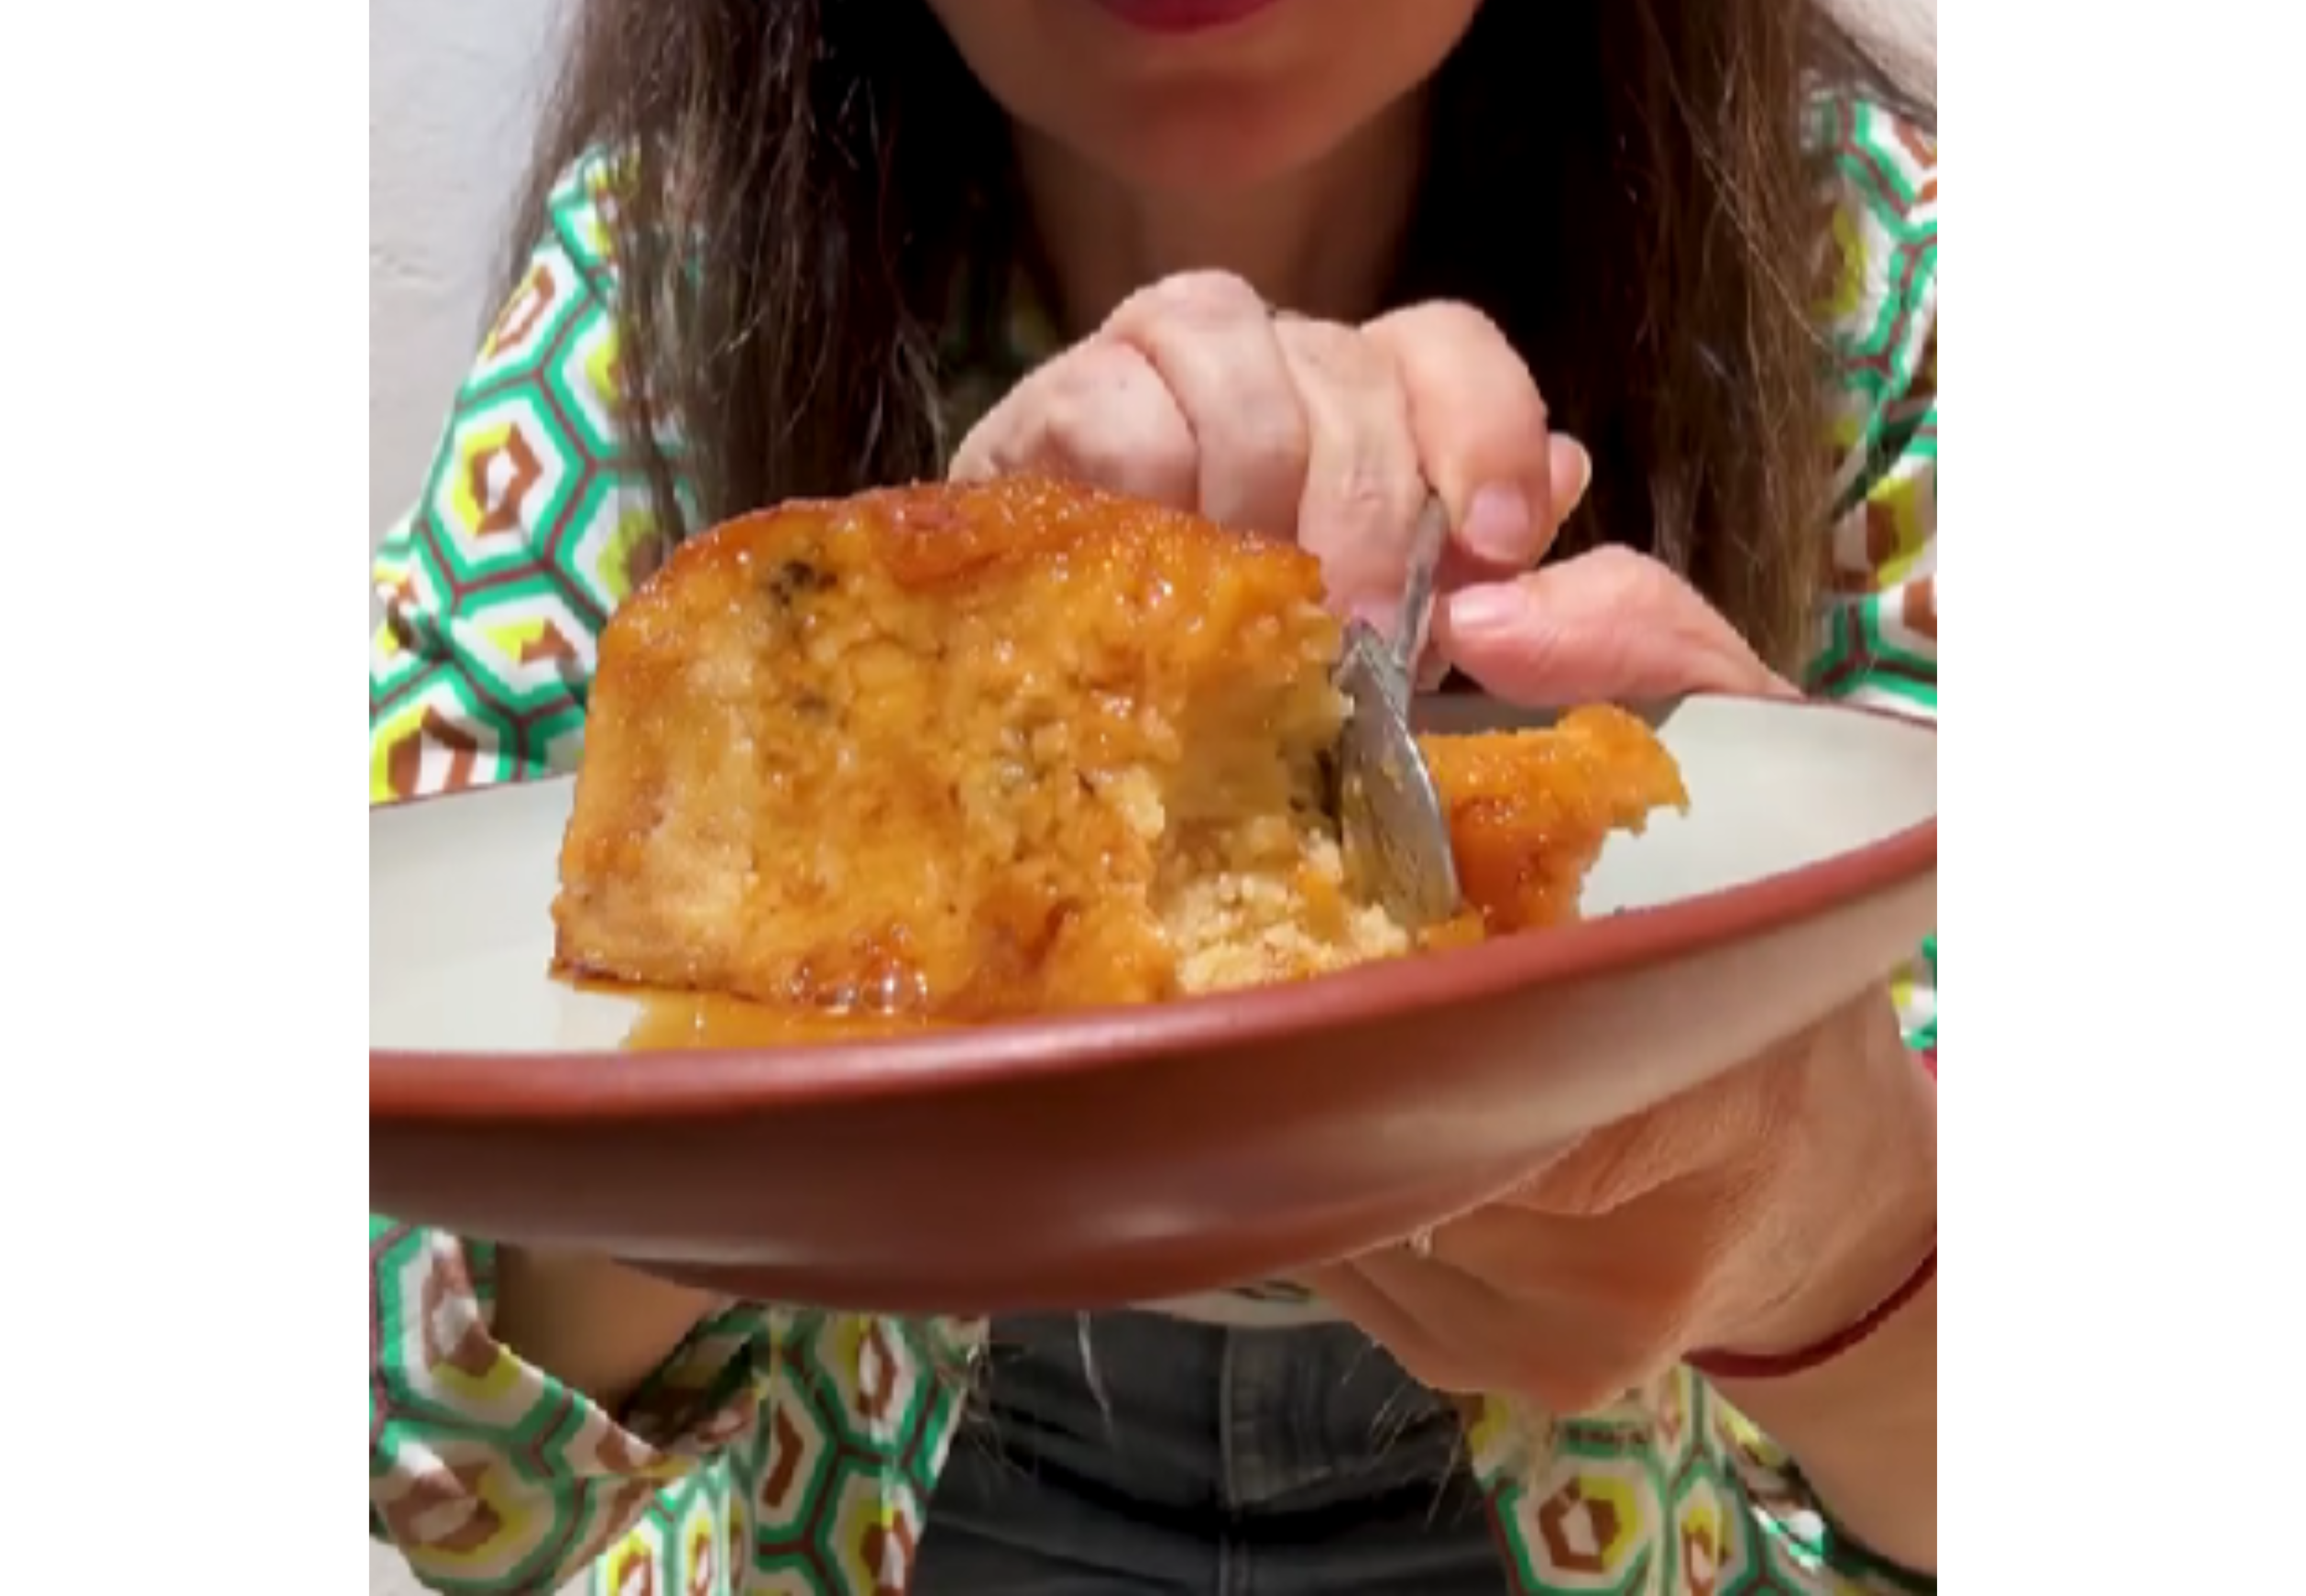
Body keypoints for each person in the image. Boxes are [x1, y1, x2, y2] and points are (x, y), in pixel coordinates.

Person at [364, 1, 1939, 1592]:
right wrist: (888, 827)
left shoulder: (1857, 280)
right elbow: (436, 1466)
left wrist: (1841, 1243)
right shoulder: (672, 281)